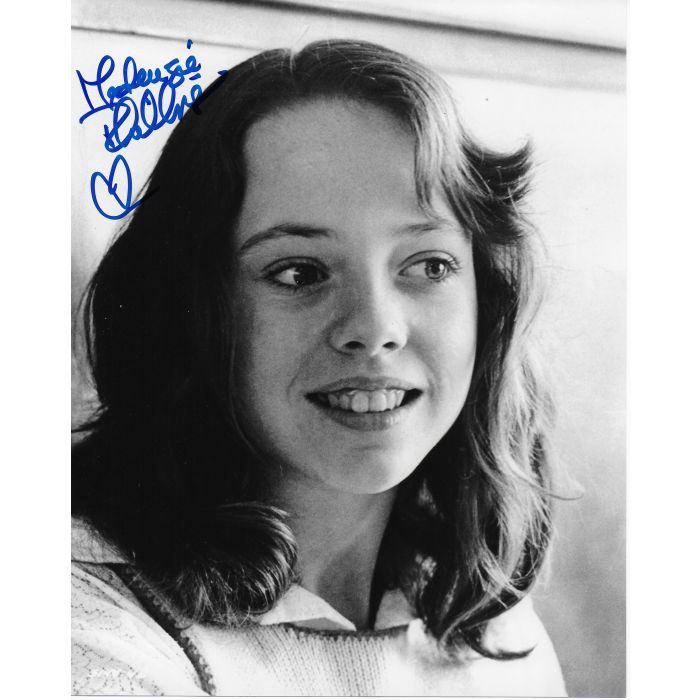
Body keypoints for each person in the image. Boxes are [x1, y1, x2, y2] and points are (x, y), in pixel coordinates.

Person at [71, 39, 566, 695]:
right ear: (188, 310)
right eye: (299, 272)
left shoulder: (494, 632)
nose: (376, 329)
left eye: (429, 265)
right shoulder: (85, 629)